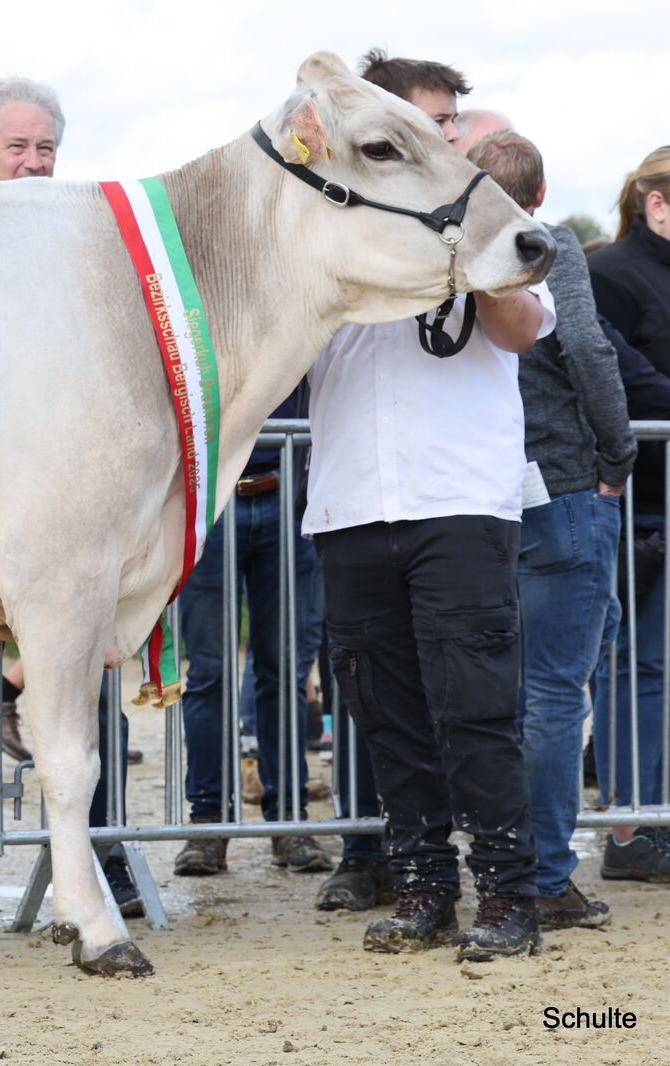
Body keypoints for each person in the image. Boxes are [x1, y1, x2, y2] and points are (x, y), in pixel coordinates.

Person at [310, 51, 552, 961]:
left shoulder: (500, 223)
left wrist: (471, 252)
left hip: (460, 502)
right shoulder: (328, 228)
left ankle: (509, 893)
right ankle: (420, 886)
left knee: (477, 710)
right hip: (349, 504)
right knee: (391, 718)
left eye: (454, 121)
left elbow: (523, 327)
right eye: (434, 120)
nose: (450, 135)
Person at [0, 77, 142, 922]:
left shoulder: (91, 245)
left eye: (45, 150)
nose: (32, 163)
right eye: (17, 148)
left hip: (62, 510)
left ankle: (101, 860)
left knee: (83, 693)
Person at [468, 131, 634, 928]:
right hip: (563, 484)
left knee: (494, 694)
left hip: (478, 495)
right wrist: (620, 454)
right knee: (553, 694)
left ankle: (496, 866)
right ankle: (544, 874)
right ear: (537, 198)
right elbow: (587, 350)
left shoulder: (452, 246)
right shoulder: (550, 244)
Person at [173, 385, 334, 878]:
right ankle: (208, 825)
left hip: (289, 486)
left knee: (284, 670)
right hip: (209, 494)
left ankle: (288, 819)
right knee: (209, 673)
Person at [588, 146, 670, 881]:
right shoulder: (610, 273)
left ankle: (657, 816)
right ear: (658, 204)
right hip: (638, 504)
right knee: (633, 664)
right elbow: (624, 383)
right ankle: (626, 828)